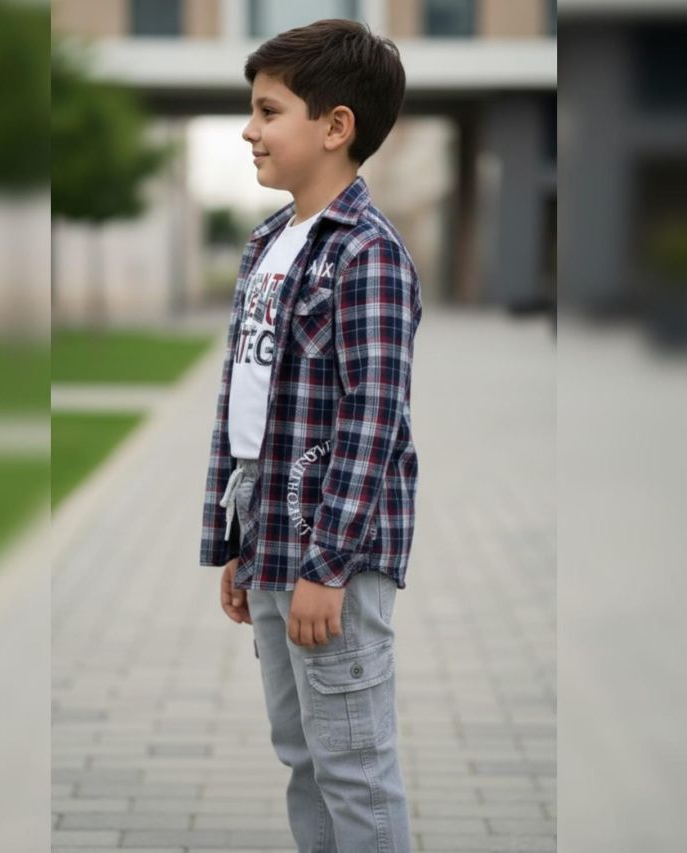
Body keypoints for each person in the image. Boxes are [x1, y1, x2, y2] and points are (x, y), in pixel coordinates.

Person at [199, 18, 421, 852]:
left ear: (335, 126)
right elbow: (249, 401)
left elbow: (374, 419)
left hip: (333, 552)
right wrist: (239, 541)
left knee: (354, 763)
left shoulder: (367, 254)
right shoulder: (269, 242)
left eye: (268, 111)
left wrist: (327, 565)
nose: (249, 131)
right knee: (304, 755)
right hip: (271, 536)